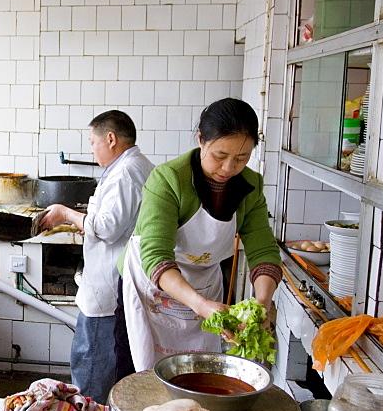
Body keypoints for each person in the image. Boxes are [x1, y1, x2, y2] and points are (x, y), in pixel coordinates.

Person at [117, 98, 282, 373]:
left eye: (241, 158)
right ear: (201, 140)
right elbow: (156, 256)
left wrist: (263, 302)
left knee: (198, 375)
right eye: (220, 156)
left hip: (203, 283)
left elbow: (263, 251)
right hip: (150, 284)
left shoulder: (250, 186)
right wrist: (201, 306)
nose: (229, 169)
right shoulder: (167, 179)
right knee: (137, 377)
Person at [40, 110, 154, 403]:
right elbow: (117, 223)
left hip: (108, 287)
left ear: (111, 138)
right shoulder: (133, 166)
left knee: (91, 366)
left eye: (93, 142)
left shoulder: (126, 173)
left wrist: (65, 213)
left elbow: (105, 226)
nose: (92, 149)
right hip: (115, 279)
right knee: (103, 363)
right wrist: (85, 226)